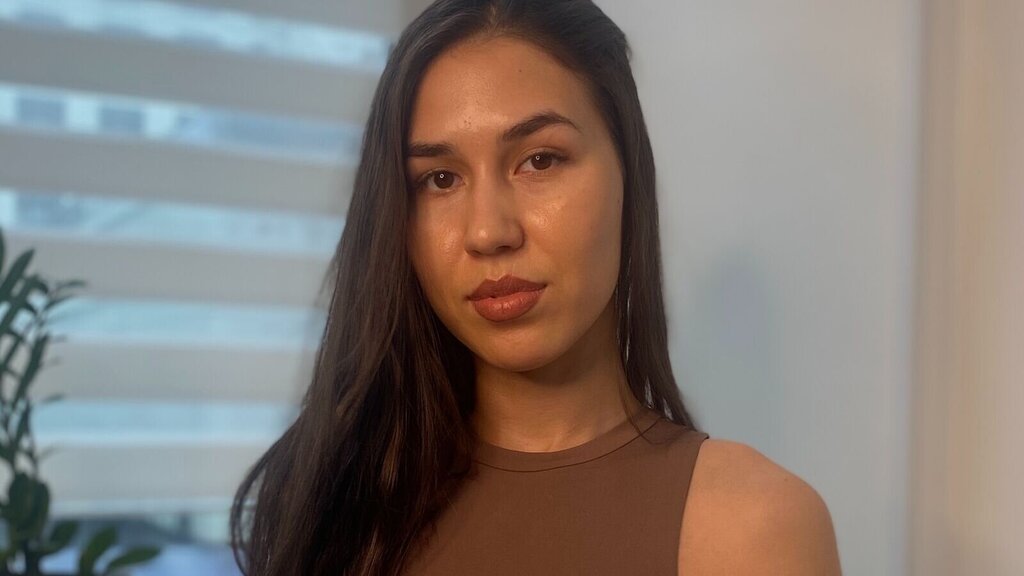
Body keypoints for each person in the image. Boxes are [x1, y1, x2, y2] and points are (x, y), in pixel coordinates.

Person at [230, 1, 842, 574]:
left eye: (540, 160)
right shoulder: (336, 506)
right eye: (440, 179)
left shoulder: (753, 530)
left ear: (627, 172)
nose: (488, 232)